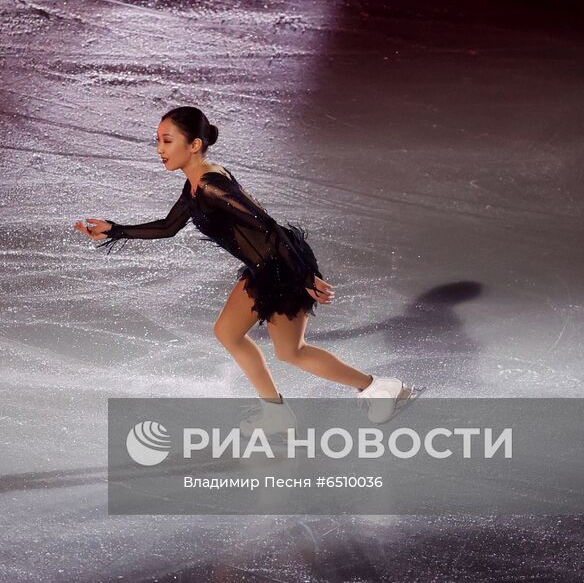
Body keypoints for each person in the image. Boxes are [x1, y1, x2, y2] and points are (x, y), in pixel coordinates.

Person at [75, 107, 417, 430]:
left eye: (167, 140)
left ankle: (380, 388)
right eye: (158, 140)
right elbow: (168, 226)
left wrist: (303, 276)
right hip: (265, 266)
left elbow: (268, 226)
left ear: (194, 145)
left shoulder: (211, 185)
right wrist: (114, 229)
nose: (159, 149)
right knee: (228, 332)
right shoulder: (195, 183)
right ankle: (276, 413)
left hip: (282, 268)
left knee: (290, 352)